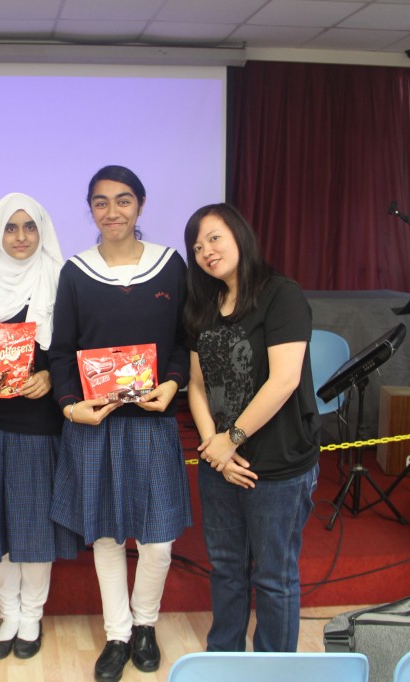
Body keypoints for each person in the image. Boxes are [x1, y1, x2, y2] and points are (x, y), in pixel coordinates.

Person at [48, 165, 192, 682]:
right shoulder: (75, 271)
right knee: (106, 536)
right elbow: (61, 352)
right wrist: (71, 405)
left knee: (157, 539)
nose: (113, 212)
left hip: (152, 422)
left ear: (141, 205)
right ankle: (118, 633)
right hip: (96, 426)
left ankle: (146, 624)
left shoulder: (170, 266)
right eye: (101, 202)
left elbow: (185, 340)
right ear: (90, 209)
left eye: (123, 200)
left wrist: (173, 383)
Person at [183, 202, 319, 653]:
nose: (206, 251)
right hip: (219, 463)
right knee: (226, 569)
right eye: (197, 247)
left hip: (276, 465)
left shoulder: (281, 295)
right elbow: (197, 385)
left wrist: (231, 440)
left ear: (240, 235)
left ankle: (273, 669)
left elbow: (284, 380)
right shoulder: (203, 306)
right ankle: (224, 659)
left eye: (214, 238)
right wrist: (214, 447)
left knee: (274, 577)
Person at [0, 192, 80, 661]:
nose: (21, 237)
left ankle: (32, 615)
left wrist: (50, 376)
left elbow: (74, 348)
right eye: (11, 227)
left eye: (30, 227)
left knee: (33, 528)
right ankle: (7, 613)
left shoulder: (60, 283)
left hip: (38, 424)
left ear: (42, 232)